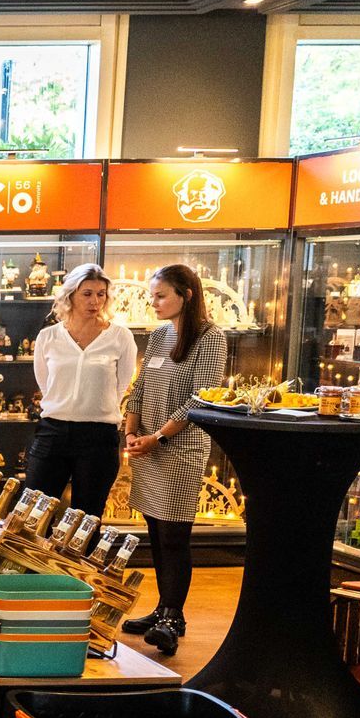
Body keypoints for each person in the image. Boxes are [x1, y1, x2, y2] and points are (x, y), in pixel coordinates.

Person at [121, 264, 228, 657]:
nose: (154, 302)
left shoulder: (210, 337)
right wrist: (132, 430)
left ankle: (173, 616)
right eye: (152, 295)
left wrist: (158, 436)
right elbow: (141, 385)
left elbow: (202, 397)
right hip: (147, 445)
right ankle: (162, 611)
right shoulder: (158, 335)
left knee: (174, 536)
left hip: (180, 448)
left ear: (186, 294)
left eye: (161, 295)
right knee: (155, 532)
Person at [25, 264, 136, 518]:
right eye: (87, 293)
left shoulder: (120, 336)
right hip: (53, 431)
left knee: (87, 518)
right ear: (71, 295)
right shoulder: (48, 337)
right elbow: (45, 383)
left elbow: (121, 386)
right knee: (33, 513)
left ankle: (78, 560)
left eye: (101, 294)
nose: (95, 301)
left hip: (98, 436)